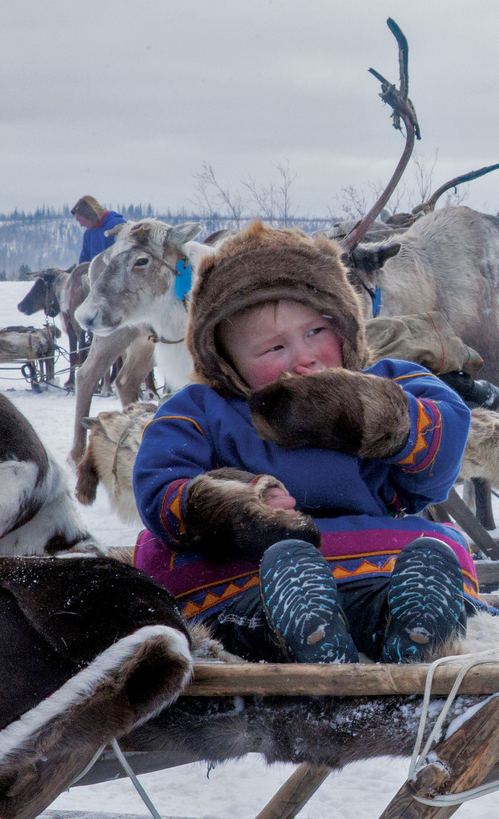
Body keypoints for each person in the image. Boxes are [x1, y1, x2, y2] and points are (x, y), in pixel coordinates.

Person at [132, 220, 480, 664]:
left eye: (316, 331)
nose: (304, 358)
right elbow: (162, 487)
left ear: (347, 326)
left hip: (371, 556)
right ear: (226, 362)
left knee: (432, 548)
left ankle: (409, 626)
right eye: (273, 349)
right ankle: (298, 631)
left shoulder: (385, 380)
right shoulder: (202, 409)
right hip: (251, 568)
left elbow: (442, 450)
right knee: (223, 583)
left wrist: (375, 413)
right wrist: (239, 502)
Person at [72, 195, 127, 263]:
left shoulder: (116, 224)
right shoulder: (88, 234)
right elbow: (84, 261)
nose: (81, 224)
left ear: (88, 215)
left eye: (80, 220)